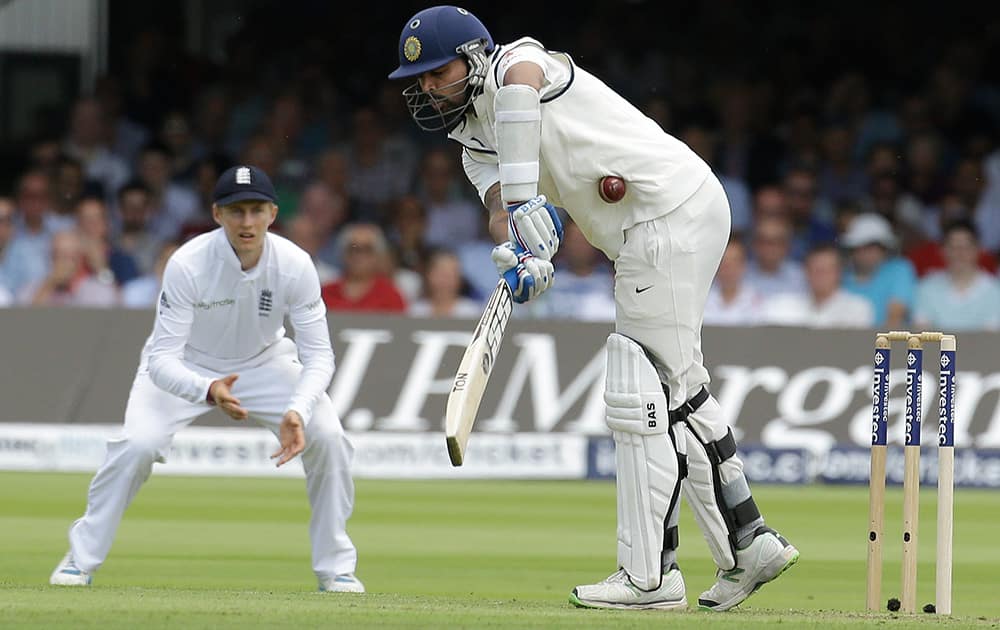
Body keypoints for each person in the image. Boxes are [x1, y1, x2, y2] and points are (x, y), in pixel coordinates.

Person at [388, 6, 798, 612]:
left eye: (436, 72)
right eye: (417, 81)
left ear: (474, 56)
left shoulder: (518, 63)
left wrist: (530, 198)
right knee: (679, 391)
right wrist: (522, 251)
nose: (426, 88)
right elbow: (503, 204)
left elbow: (522, 99)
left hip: (664, 212)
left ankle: (652, 579)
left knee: (641, 390)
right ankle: (747, 542)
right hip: (652, 226)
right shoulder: (468, 138)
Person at [50, 165, 363, 594]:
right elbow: (161, 359)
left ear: (273, 213)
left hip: (265, 362)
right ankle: (79, 561)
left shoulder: (295, 265)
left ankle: (336, 568)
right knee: (137, 447)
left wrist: (298, 408)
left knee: (327, 435)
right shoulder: (188, 263)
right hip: (187, 364)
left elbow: (319, 356)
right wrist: (208, 389)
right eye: (236, 212)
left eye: (256, 211)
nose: (247, 222)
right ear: (217, 214)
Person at [761, 244, 874, 328]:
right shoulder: (782, 304)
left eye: (826, 270)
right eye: (815, 270)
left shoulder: (858, 308)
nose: (820, 275)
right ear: (805, 272)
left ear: (838, 272)